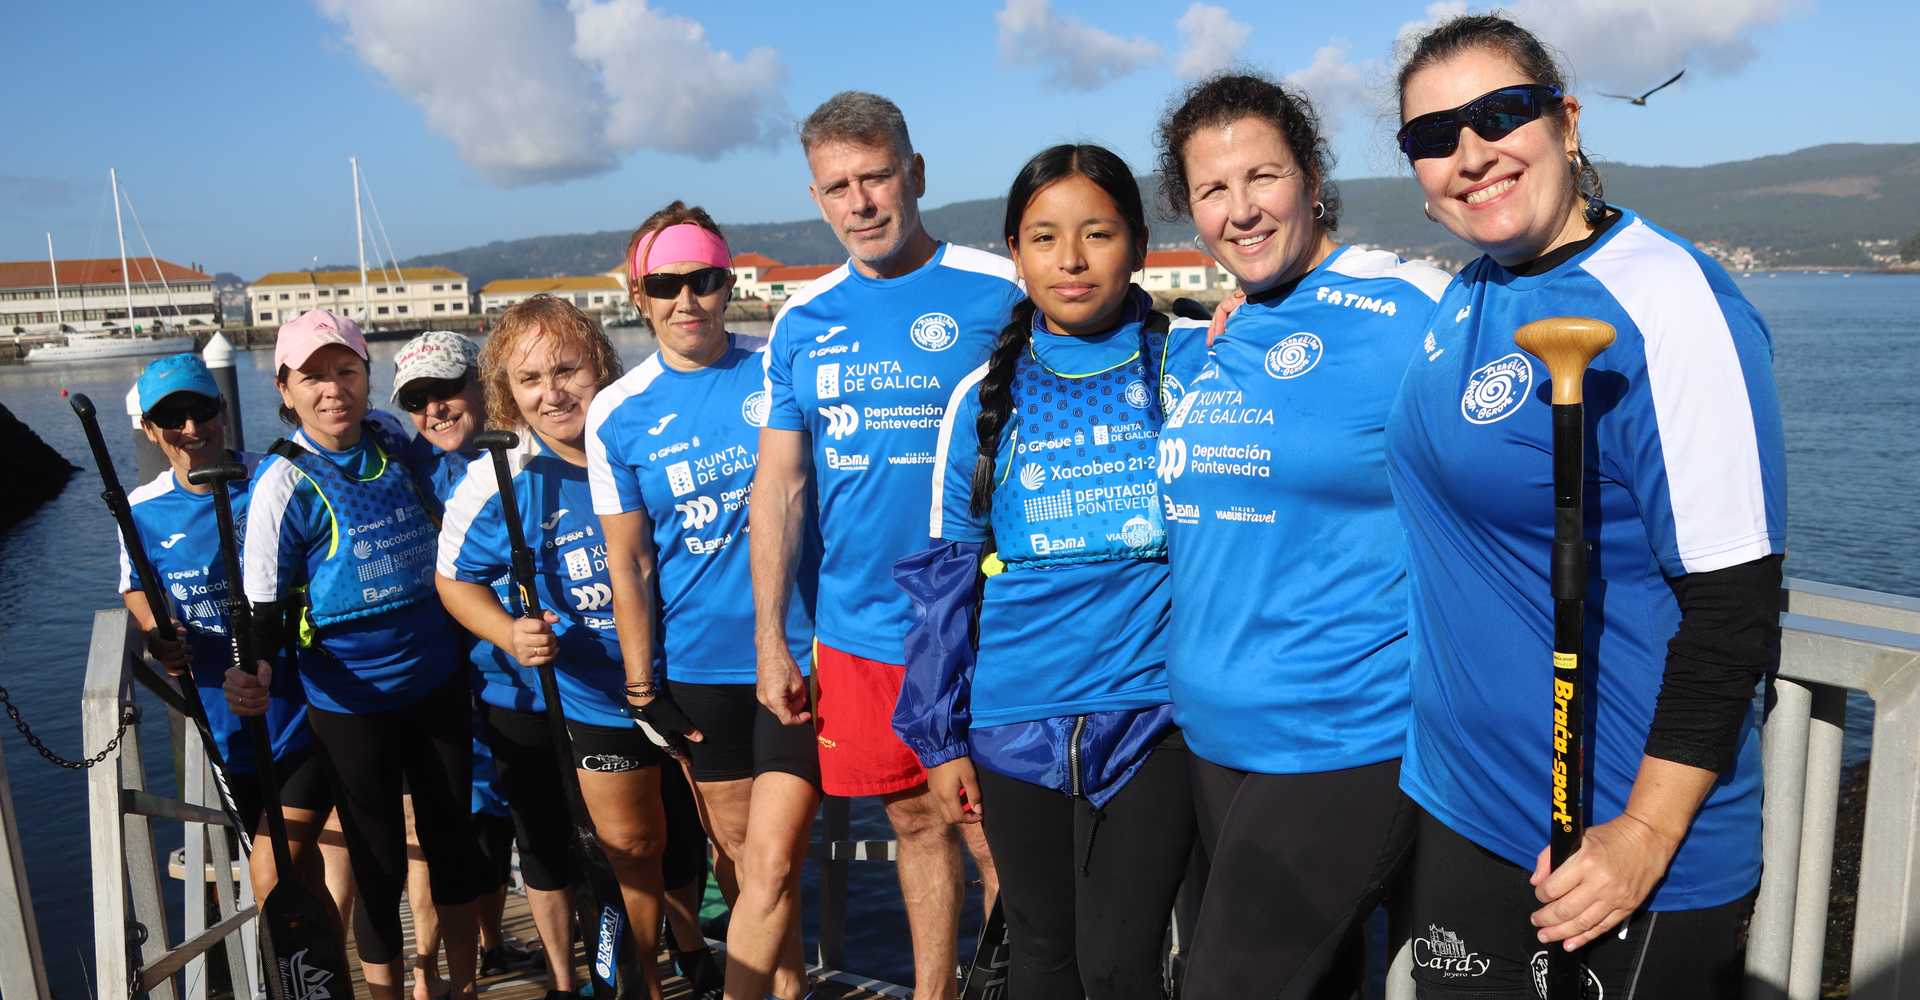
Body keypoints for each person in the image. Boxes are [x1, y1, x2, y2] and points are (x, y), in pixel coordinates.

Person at [1386, 15, 1786, 999]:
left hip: (1606, 850)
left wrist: (1643, 837)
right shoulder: (1468, 293)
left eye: (1500, 114)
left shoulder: (1670, 304)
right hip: (1463, 812)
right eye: (1434, 137)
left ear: (1566, 121)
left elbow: (1734, 610)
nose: (1470, 153)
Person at [1151, 72, 1450, 998]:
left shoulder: (1412, 304)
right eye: (1212, 189)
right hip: (1211, 732)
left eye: (1263, 177)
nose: (1241, 210)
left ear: (1313, 176)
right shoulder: (1215, 330)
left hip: (1342, 735)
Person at [894, 143, 1203, 999]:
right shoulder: (979, 398)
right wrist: (942, 737)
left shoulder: (1196, 365)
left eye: (1097, 234)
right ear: (1015, 252)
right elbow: (945, 582)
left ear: (1138, 244)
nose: (1071, 261)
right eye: (1043, 238)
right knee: (1038, 956)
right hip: (1014, 719)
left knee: (1120, 963)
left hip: (1155, 718)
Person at [750, 90, 1016, 999]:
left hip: (985, 622)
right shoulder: (802, 322)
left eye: (875, 177)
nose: (859, 203)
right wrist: (771, 639)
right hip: (860, 628)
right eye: (837, 187)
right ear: (817, 197)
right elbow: (780, 487)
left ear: (916, 175)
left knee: (998, 834)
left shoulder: (1000, 289)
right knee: (912, 821)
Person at [436, 295, 709, 1000]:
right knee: (630, 853)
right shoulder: (501, 477)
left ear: (601, 365)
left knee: (696, 843)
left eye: (567, 369)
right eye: (529, 380)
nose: (552, 392)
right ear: (507, 394)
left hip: (694, 678)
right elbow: (454, 580)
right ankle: (641, 983)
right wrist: (507, 631)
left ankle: (695, 950)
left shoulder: (647, 434)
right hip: (596, 697)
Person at [585, 204, 820, 1000]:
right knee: (740, 850)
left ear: (729, 285)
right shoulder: (617, 413)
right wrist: (642, 684)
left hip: (801, 649)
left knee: (777, 854)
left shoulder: (779, 365)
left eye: (705, 280)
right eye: (666, 284)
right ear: (638, 293)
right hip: (698, 667)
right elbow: (631, 561)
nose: (687, 300)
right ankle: (783, 987)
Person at [227, 309, 486, 1000]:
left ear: (367, 376)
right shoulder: (282, 483)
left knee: (452, 849)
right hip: (351, 705)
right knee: (377, 871)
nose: (332, 389)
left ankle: (463, 989)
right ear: (285, 390)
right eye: (312, 377)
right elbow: (261, 612)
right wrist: (250, 672)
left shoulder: (392, 439)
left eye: (345, 371)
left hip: (436, 683)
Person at [116, 353, 336, 916]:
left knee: (270, 872)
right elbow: (136, 586)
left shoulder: (274, 477)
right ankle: (325, 968)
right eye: (173, 418)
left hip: (303, 707)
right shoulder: (141, 511)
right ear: (149, 430)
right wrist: (155, 632)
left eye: (202, 411)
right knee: (300, 868)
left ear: (222, 412)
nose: (191, 429)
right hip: (224, 722)